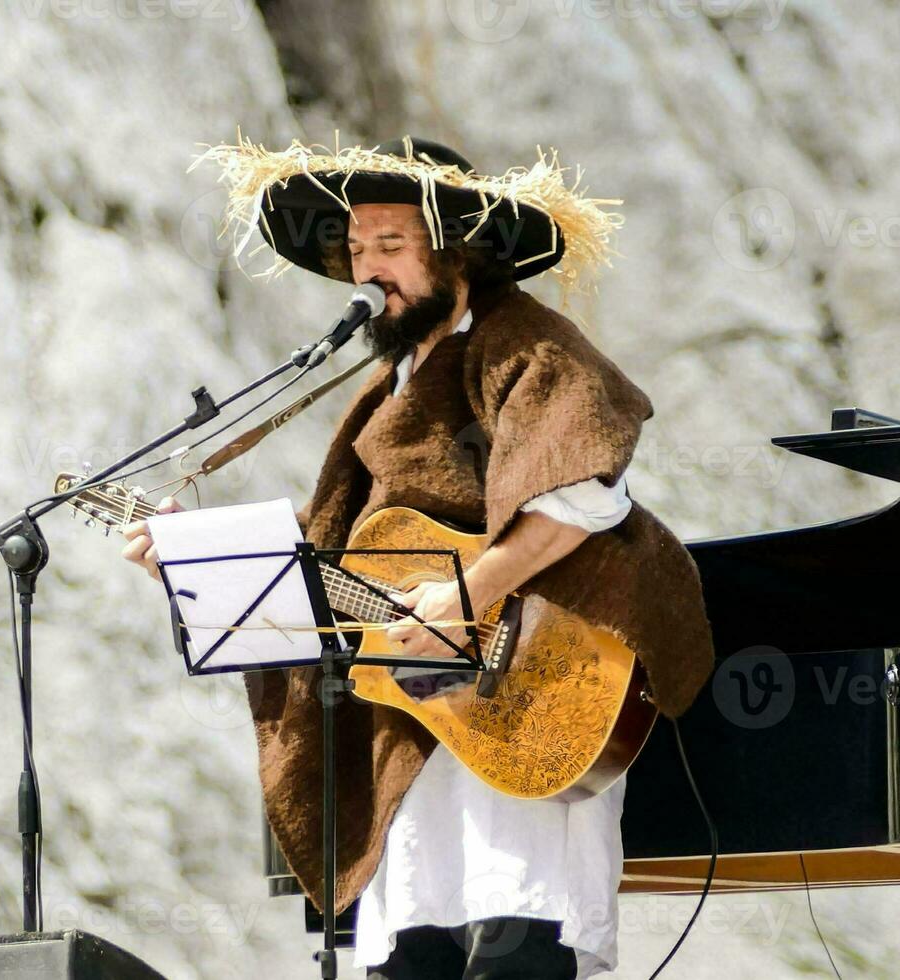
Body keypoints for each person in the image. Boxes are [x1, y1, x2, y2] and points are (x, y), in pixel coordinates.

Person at [124, 136, 715, 978]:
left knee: (516, 946)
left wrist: (470, 590)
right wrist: (193, 559)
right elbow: (329, 560)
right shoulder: (384, 385)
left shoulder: (531, 345)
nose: (369, 270)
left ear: (456, 253)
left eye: (391, 247)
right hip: (423, 713)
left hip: (532, 674)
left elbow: (583, 491)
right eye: (358, 249)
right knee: (415, 956)